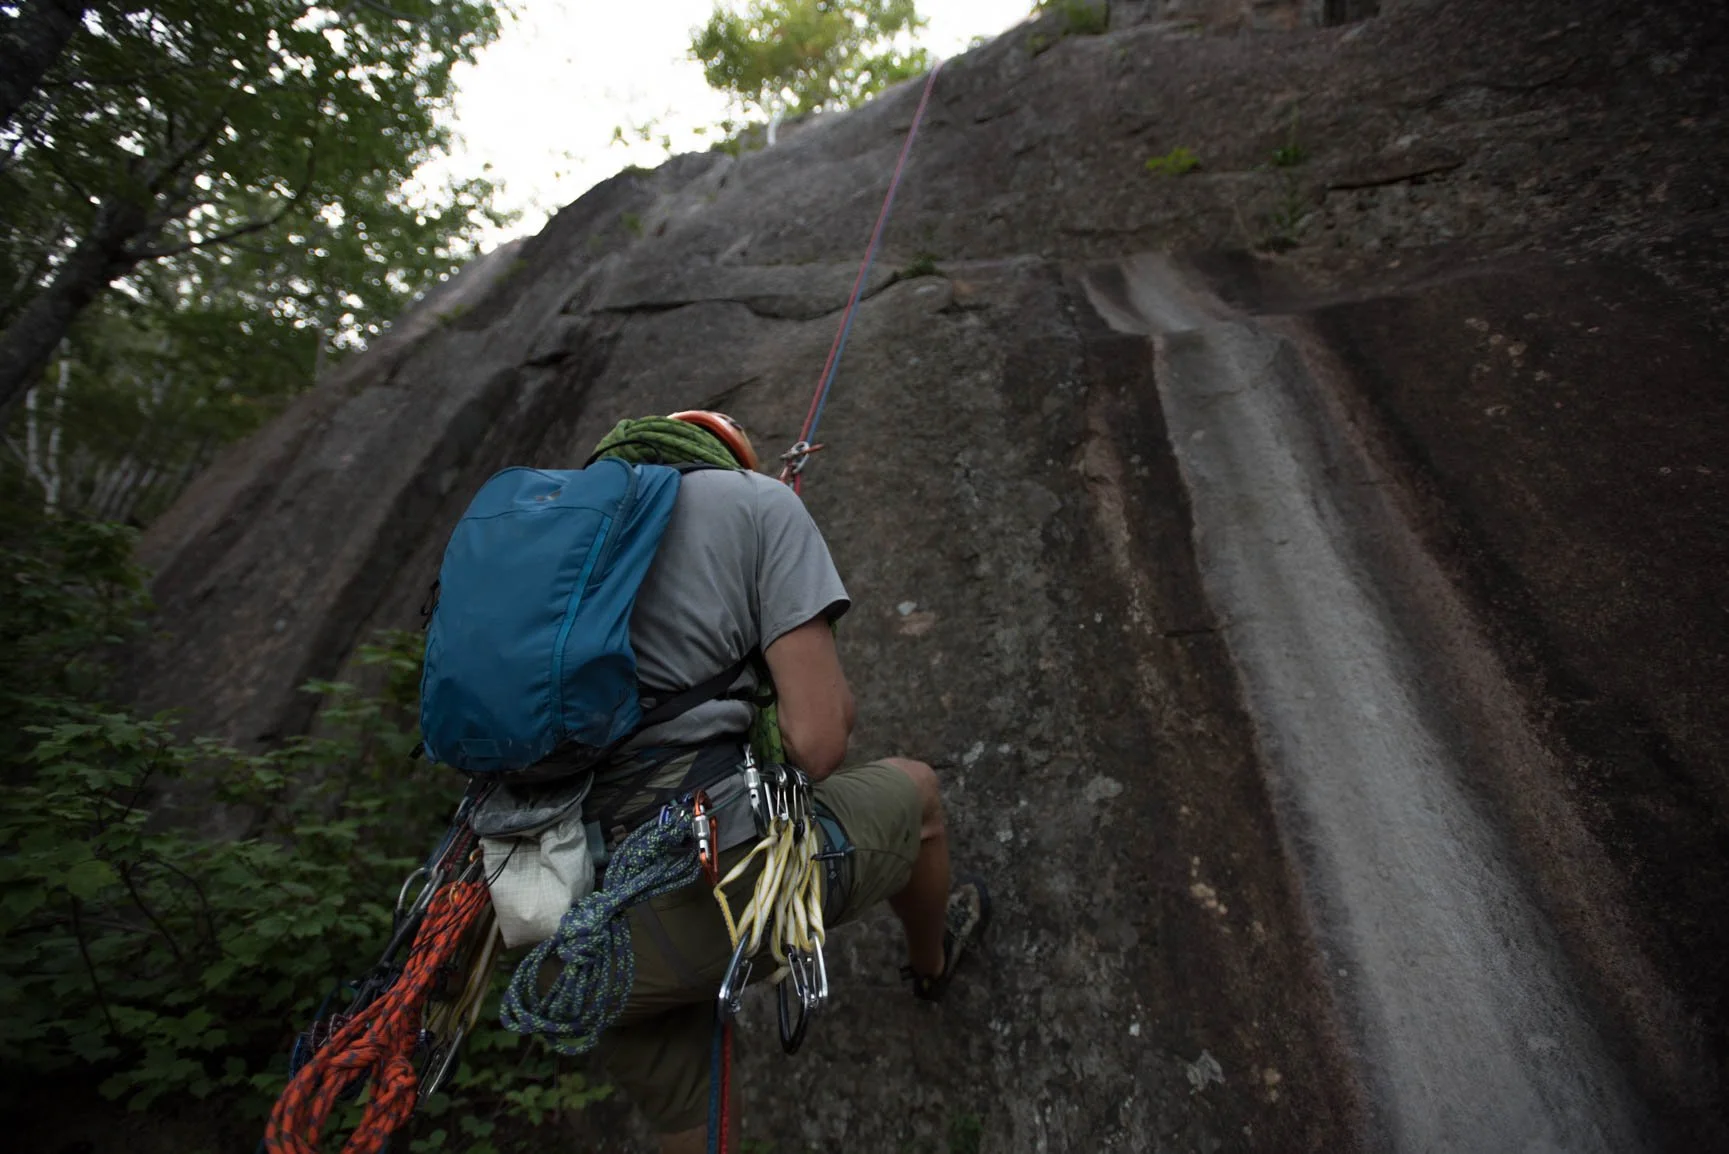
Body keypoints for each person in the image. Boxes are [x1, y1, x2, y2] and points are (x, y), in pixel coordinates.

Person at [575, 410, 991, 1152]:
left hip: (559, 926)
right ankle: (931, 962)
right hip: (714, 884)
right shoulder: (756, 502)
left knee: (683, 1098)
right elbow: (818, 743)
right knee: (919, 793)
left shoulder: (563, 546)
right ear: (728, 459)